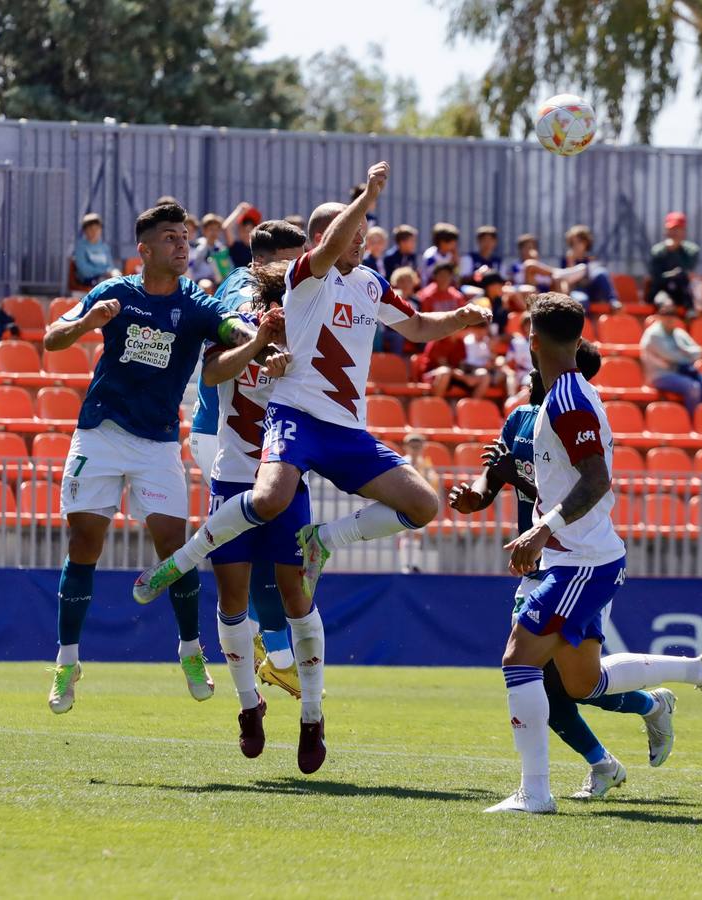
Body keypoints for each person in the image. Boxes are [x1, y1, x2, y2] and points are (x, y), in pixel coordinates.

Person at [135, 162, 493, 774]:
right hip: (290, 424)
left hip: (346, 430)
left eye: (362, 236)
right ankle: (246, 698)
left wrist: (456, 321)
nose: (363, 242)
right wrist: (369, 195)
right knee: (245, 569)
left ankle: (313, 702)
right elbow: (320, 255)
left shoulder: (370, 285)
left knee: (420, 507)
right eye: (352, 235)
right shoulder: (305, 278)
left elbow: (414, 324)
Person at [486, 292, 702, 814]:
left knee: (519, 659)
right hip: (579, 556)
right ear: (578, 341)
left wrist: (540, 530)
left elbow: (597, 479)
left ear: (531, 341)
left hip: (581, 559)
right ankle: (696, 671)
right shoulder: (565, 393)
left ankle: (535, 794)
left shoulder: (568, 400)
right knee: (583, 682)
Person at [43, 202, 268, 716]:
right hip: (100, 433)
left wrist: (257, 338)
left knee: (176, 548)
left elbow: (229, 327)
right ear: (144, 250)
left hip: (159, 442)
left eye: (185, 236)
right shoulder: (116, 292)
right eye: (170, 238)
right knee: (84, 543)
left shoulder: (196, 302)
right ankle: (67, 661)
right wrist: (86, 323)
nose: (183, 245)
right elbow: (52, 337)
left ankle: (191, 650)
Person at [450, 344, 679, 800]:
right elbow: (493, 481)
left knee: (546, 681)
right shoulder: (519, 419)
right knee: (571, 685)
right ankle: (644, 714)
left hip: (572, 561)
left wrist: (524, 487)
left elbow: (577, 486)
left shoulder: (570, 416)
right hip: (536, 564)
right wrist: (476, 494)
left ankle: (564, 779)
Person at [187, 219, 308, 700]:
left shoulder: (284, 289)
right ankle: (278, 655)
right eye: (294, 256)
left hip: (258, 430)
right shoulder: (243, 285)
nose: (303, 265)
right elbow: (241, 326)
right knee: (255, 542)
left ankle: (266, 643)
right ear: (264, 259)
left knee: (267, 543)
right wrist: (271, 345)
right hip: (222, 430)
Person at [200, 260, 299, 756]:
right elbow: (212, 371)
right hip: (234, 475)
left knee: (293, 593)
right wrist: (260, 343)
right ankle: (247, 703)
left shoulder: (311, 332)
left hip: (287, 476)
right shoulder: (237, 321)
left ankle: (313, 716)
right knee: (231, 598)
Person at [638, 300, 702, 413]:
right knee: (693, 387)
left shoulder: (679, 333)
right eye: (666, 315)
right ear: (660, 316)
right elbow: (671, 356)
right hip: (661, 375)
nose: (669, 318)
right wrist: (688, 354)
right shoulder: (653, 334)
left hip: (685, 372)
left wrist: (686, 352)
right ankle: (692, 422)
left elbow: (698, 351)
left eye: (672, 315)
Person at [399, 432, 439, 574]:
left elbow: (433, 482)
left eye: (418, 446)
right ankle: (405, 565)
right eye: (412, 446)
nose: (415, 449)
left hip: (420, 504)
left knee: (417, 534)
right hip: (403, 503)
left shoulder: (426, 464)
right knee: (404, 534)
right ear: (406, 447)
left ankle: (414, 564)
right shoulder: (401, 461)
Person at [647, 211, 702, 313]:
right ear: (666, 231)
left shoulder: (692, 250)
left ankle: (692, 321)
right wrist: (674, 274)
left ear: (684, 231)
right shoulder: (657, 251)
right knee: (666, 304)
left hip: (684, 291)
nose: (674, 233)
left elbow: (687, 271)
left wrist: (674, 251)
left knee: (696, 290)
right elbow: (656, 277)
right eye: (672, 229)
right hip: (662, 290)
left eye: (678, 229)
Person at [416, 328, 491, 399]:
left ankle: (472, 409)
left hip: (454, 377)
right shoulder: (438, 339)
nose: (470, 331)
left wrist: (469, 377)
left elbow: (461, 365)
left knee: (484, 376)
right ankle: (436, 407)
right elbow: (444, 366)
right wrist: (464, 378)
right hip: (433, 376)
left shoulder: (460, 343)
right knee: (445, 372)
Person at [561, 225, 620, 311]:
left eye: (579, 242)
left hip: (592, 290)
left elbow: (594, 279)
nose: (576, 245)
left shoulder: (590, 260)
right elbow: (568, 282)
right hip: (577, 291)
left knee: (601, 272)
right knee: (581, 300)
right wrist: (571, 262)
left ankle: (613, 301)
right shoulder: (566, 260)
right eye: (573, 243)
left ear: (586, 243)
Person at [376, 266, 420, 357]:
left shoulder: (417, 301)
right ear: (396, 283)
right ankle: (398, 364)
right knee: (397, 337)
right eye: (402, 281)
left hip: (411, 330)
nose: (405, 284)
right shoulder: (389, 299)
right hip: (390, 331)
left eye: (409, 281)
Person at [73, 213, 121, 287]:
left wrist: (114, 272)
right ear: (85, 231)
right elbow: (83, 270)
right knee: (107, 284)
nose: (94, 232)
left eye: (97, 228)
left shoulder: (104, 247)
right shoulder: (80, 247)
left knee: (119, 280)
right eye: (90, 229)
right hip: (88, 280)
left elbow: (110, 266)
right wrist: (104, 272)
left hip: (104, 277)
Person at [188, 213, 232, 287]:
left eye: (216, 229)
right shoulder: (197, 245)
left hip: (218, 281)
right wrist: (205, 248)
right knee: (207, 286)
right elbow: (193, 266)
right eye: (211, 229)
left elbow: (227, 269)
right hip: (200, 280)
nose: (214, 233)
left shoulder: (221, 248)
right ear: (204, 230)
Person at [222, 202, 263, 270]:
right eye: (244, 231)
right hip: (239, 278)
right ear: (239, 231)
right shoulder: (236, 246)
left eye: (250, 231)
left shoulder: (259, 248)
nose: (247, 234)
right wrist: (240, 210)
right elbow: (226, 228)